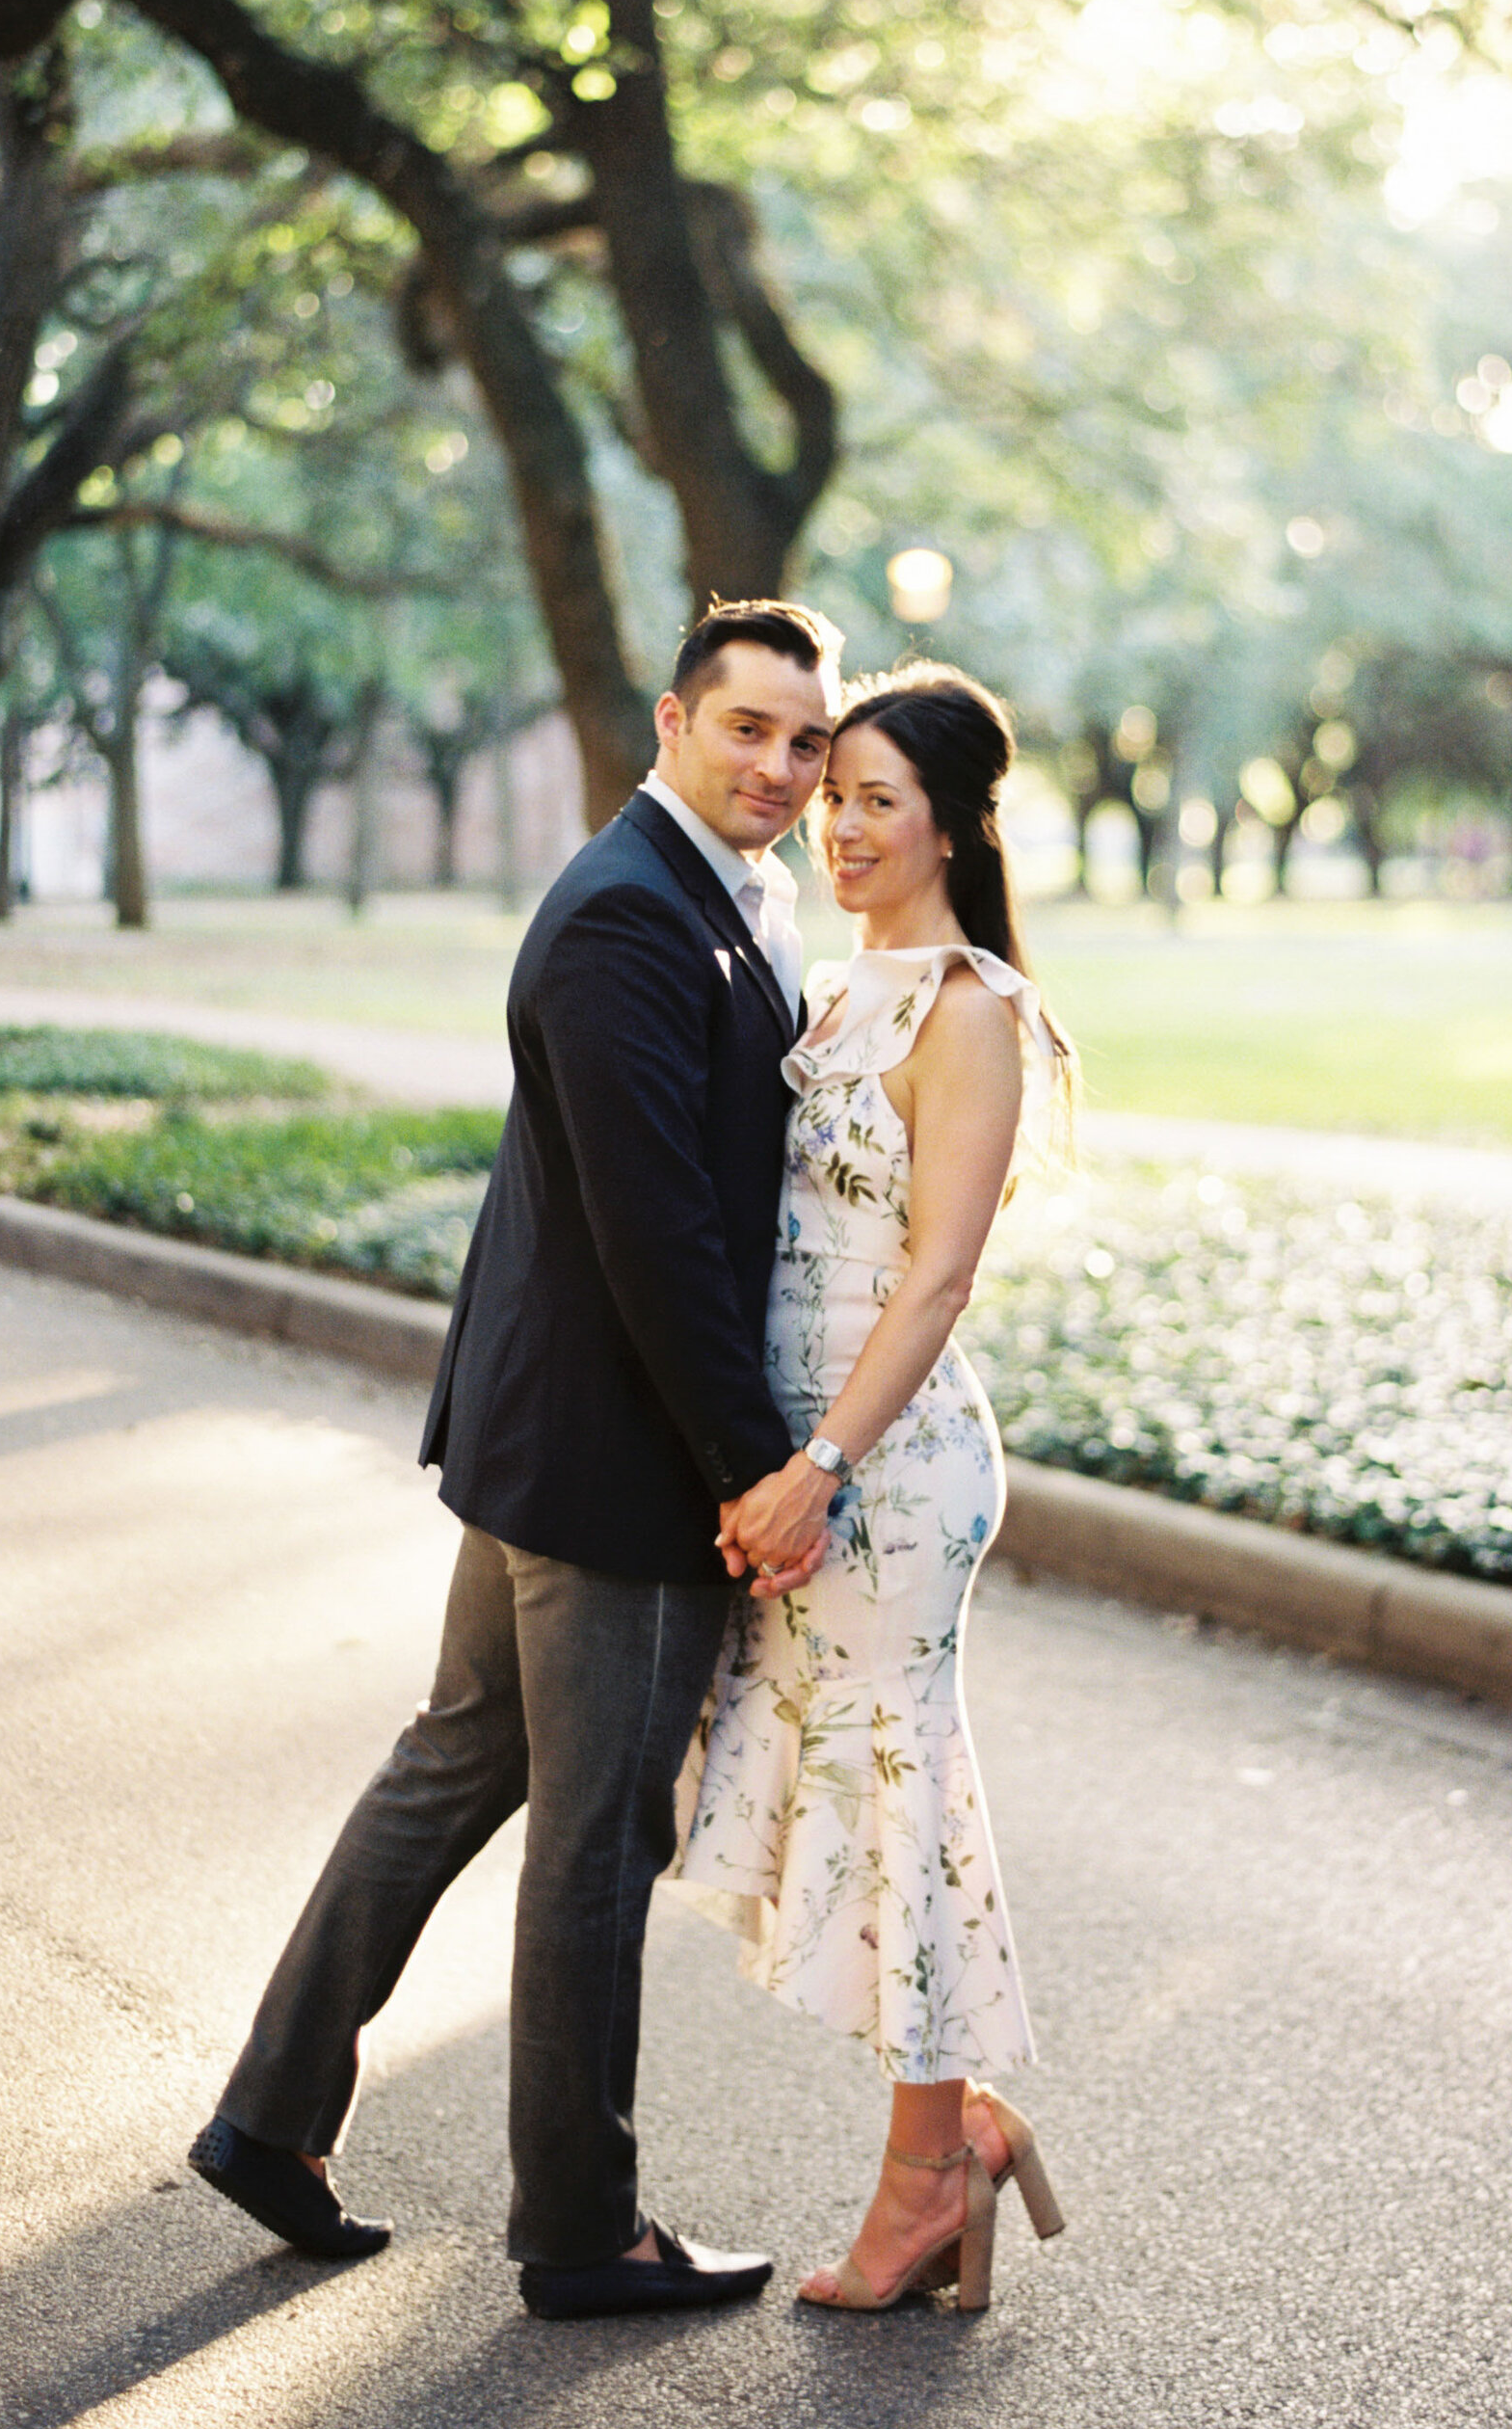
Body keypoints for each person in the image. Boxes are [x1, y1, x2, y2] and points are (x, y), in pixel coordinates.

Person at [188, 600, 840, 2321]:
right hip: (613, 1460)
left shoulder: (717, 893)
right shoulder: (627, 917)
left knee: (459, 1756)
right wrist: (757, 1466)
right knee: (594, 1834)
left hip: (549, 1431)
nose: (779, 765)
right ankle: (579, 2224)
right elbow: (658, 1240)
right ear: (670, 721)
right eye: (748, 728)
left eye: (805, 738)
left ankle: (269, 2113)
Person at [674, 662, 1075, 2313]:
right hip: (805, 1452)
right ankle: (955, 2120)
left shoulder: (965, 1009)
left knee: (906, 1802)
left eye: (874, 801)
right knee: (870, 1801)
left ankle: (925, 2180)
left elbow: (938, 1277)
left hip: (888, 1470)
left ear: (953, 826)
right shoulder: (838, 988)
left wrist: (822, 1465)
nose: (837, 824)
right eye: (831, 794)